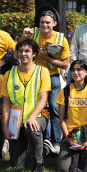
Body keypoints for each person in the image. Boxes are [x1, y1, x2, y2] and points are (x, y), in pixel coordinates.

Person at [0, 38, 51, 172]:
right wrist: (5, 126)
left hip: (38, 116)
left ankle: (38, 164)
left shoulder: (42, 71)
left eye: (27, 51)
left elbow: (43, 98)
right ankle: (42, 149)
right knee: (17, 165)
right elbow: (5, 103)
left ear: (34, 54)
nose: (23, 54)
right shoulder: (9, 74)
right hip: (16, 120)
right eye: (20, 51)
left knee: (32, 129)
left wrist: (33, 117)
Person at [31, 10, 71, 152]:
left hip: (52, 77)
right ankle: (42, 140)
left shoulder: (61, 39)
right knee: (37, 109)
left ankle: (56, 143)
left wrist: (46, 58)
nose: (44, 25)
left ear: (54, 24)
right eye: (42, 22)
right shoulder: (32, 34)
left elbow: (65, 65)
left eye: (48, 22)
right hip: (35, 77)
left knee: (55, 109)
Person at [56, 59, 87, 172]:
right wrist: (67, 138)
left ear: (86, 72)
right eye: (73, 70)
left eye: (79, 70)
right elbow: (61, 118)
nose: (76, 73)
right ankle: (73, 156)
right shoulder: (65, 91)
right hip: (70, 135)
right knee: (63, 168)